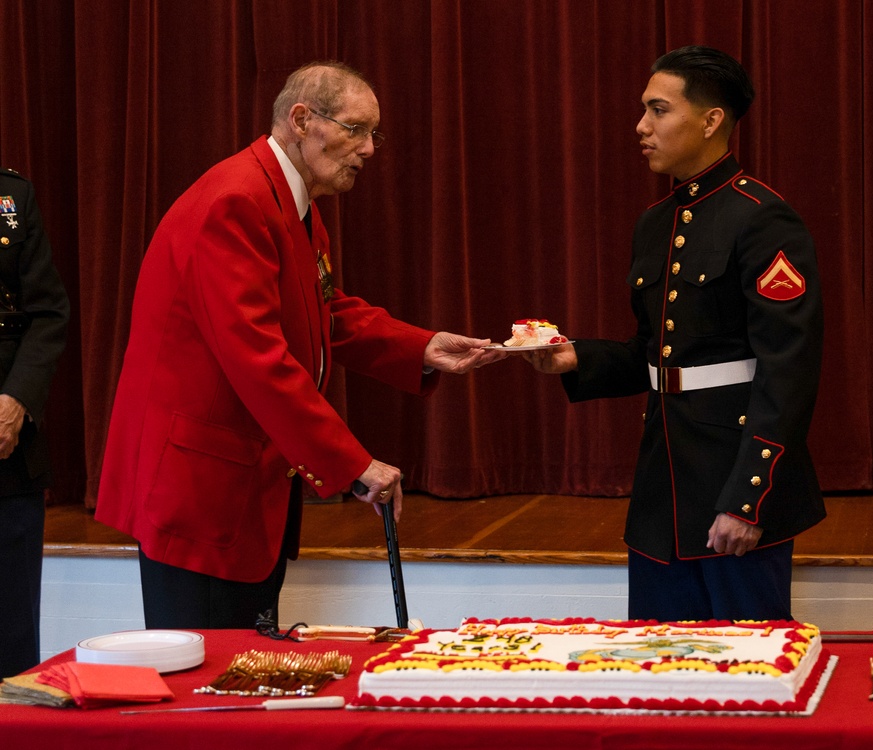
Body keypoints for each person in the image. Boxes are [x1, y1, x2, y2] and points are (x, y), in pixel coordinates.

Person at [96, 61, 503, 630]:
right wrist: (354, 462)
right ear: (301, 119)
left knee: (240, 678)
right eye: (356, 129)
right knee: (208, 691)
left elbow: (322, 312)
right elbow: (259, 361)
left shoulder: (288, 199)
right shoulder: (236, 202)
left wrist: (423, 346)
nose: (369, 149)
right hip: (201, 494)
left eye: (374, 134)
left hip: (238, 488)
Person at [525, 46, 824, 621]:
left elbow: (789, 370)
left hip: (732, 492)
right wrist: (573, 359)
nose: (641, 126)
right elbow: (653, 353)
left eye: (658, 110)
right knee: (657, 668)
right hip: (662, 492)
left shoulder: (761, 217)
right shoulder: (656, 222)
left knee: (747, 672)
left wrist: (748, 497)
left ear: (711, 121)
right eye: (643, 110)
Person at [0, 169, 71, 677]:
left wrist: (16, 399)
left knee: (12, 640)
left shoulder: (13, 195)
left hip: (6, 453)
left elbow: (49, 312)